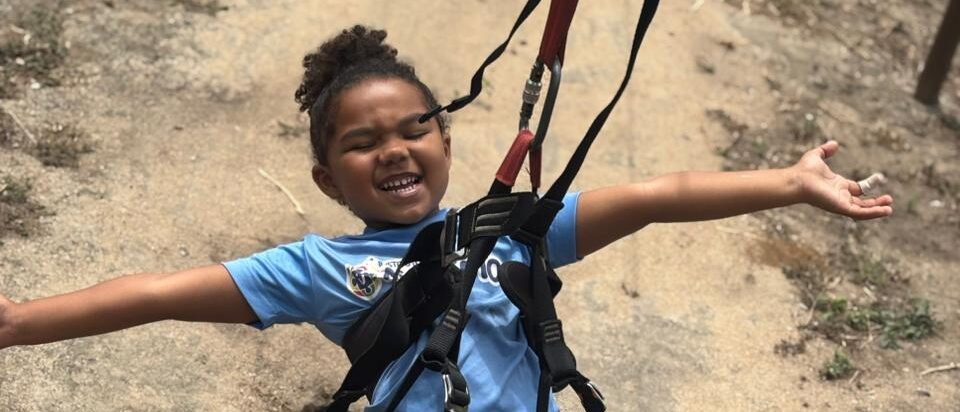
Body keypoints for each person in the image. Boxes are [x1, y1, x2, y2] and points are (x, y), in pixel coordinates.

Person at [0, 25, 893, 411]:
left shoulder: (511, 229)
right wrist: (16, 323)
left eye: (414, 129)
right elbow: (156, 294)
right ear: (327, 179)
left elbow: (655, 198)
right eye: (363, 144)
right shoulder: (316, 270)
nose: (393, 150)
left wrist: (787, 183)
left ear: (447, 139)